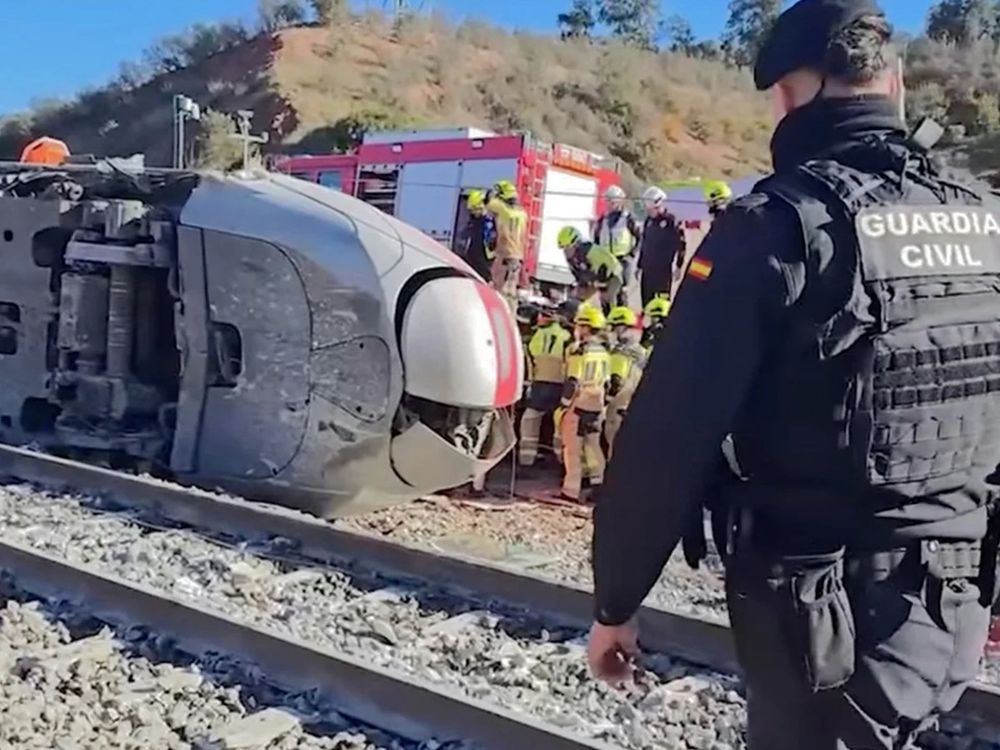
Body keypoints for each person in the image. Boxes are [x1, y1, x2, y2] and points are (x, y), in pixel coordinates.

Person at [587, 2, 1000, 748]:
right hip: (954, 602)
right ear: (894, 82)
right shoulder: (984, 220)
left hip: (820, 615)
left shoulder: (775, 226)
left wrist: (615, 602)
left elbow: (668, 437)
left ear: (787, 95)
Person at [560, 303, 610, 502]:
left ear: (586, 328)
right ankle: (599, 486)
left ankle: (570, 491)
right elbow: (607, 382)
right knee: (593, 447)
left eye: (579, 325)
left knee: (572, 450)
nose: (577, 329)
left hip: (578, 405)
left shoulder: (579, 351)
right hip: (596, 405)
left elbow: (573, 381)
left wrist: (564, 405)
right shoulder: (604, 352)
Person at [519, 303, 574, 468]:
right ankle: (562, 461)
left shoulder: (534, 335)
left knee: (530, 421)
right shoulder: (567, 336)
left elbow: (529, 362)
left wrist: (528, 385)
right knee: (560, 424)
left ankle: (526, 460)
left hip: (539, 384)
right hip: (561, 385)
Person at [604, 306, 646, 459]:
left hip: (618, 404)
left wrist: (605, 401)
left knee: (613, 441)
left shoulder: (620, 351)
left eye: (614, 327)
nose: (612, 331)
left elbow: (617, 380)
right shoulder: (641, 351)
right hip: (633, 403)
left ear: (622, 327)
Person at [593, 185, 641, 308]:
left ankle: (622, 316)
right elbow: (596, 240)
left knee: (621, 293)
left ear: (620, 201)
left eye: (613, 202)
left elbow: (640, 238)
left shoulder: (628, 218)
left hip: (622, 260)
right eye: (608, 201)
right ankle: (606, 316)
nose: (609, 205)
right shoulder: (602, 220)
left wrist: (631, 255)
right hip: (605, 260)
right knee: (603, 292)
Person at [637, 186, 684, 308]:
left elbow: (681, 244)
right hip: (647, 270)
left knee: (662, 305)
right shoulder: (648, 221)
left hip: (663, 271)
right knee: (647, 304)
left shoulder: (671, 221)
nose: (649, 212)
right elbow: (644, 244)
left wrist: (679, 266)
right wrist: (639, 265)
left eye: (651, 209)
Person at [557, 226, 622, 313]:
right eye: (563, 248)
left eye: (568, 247)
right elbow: (579, 277)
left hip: (611, 276)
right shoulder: (571, 259)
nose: (566, 252)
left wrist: (599, 284)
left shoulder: (591, 252)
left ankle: (613, 316)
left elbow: (607, 267)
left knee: (607, 299)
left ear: (576, 244)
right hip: (594, 280)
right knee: (575, 297)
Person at [485, 179, 527, 312]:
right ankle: (511, 318)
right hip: (517, 257)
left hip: (504, 255)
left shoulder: (501, 209)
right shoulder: (522, 214)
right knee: (511, 293)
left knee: (498, 291)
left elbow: (488, 203)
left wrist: (491, 194)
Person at [460, 189, 496, 280]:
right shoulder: (475, 221)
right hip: (472, 260)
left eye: (474, 210)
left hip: (482, 262)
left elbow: (489, 243)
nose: (472, 213)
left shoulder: (488, 222)